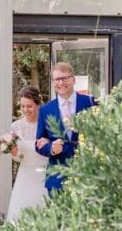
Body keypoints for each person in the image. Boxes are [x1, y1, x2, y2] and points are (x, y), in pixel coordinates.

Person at [35, 62, 97, 194]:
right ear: (53, 82)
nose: (61, 82)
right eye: (57, 79)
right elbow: (39, 143)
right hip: (57, 178)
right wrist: (51, 148)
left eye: (65, 78)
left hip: (87, 176)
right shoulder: (46, 109)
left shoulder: (91, 103)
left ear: (73, 80)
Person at [5, 86, 49, 222]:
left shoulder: (47, 124)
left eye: (29, 106)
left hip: (44, 175)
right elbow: (18, 158)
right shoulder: (16, 126)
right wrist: (12, 151)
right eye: (23, 106)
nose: (25, 110)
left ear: (38, 104)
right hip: (24, 176)